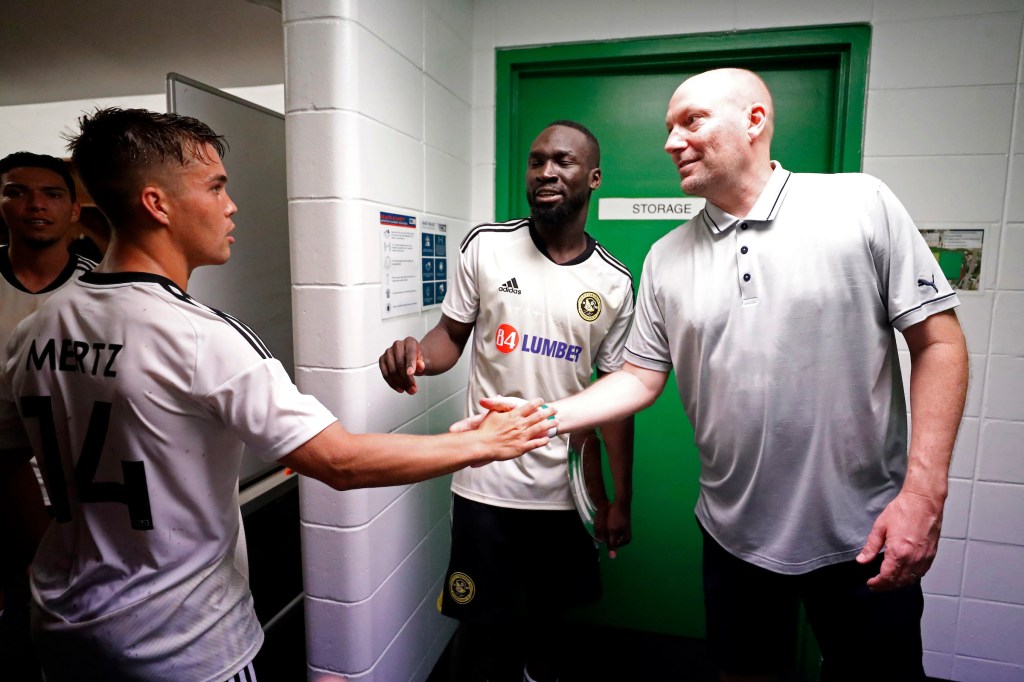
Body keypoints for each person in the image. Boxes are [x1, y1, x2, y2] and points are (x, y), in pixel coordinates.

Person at [0, 107, 557, 682]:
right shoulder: (199, 336)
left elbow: (11, 460)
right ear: (156, 204)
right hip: (179, 646)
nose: (230, 205)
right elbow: (338, 461)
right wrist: (488, 442)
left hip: (63, 630)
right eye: (215, 187)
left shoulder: (36, 329)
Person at [460, 69, 969, 682]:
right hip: (733, 538)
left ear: (755, 120)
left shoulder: (859, 204)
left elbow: (938, 341)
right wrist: (543, 415)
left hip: (865, 530)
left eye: (691, 121)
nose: (672, 142)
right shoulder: (667, 257)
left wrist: (923, 493)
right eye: (668, 129)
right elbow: (638, 379)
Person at [380, 120, 635, 682]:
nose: (545, 171)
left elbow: (618, 399)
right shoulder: (487, 247)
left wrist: (621, 497)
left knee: (549, 624)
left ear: (593, 178)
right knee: (482, 627)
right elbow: (449, 338)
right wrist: (414, 355)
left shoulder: (614, 282)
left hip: (565, 490)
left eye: (562, 161)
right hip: (485, 482)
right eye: (536, 159)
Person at [0, 151, 97, 681]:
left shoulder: (102, 289)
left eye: (52, 193)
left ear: (75, 209)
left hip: (84, 506)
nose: (34, 204)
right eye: (16, 191)